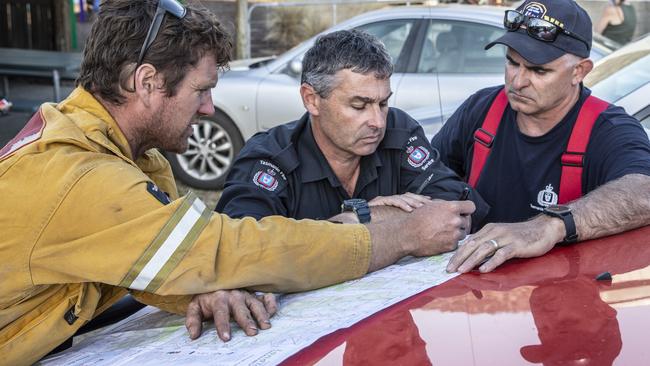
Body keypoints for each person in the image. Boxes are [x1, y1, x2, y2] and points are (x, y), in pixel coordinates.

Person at [0, 1, 476, 363]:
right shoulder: (79, 175)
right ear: (146, 82)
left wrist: (207, 282)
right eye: (202, 91)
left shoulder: (125, 155)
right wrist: (397, 232)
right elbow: (226, 246)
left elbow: (177, 259)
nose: (208, 109)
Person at [435, 0, 650, 274]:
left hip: (565, 302)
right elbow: (428, 176)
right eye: (512, 63)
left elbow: (644, 192)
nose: (518, 81)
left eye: (539, 70)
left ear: (579, 71)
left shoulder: (609, 129)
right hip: (480, 297)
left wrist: (550, 226)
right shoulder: (481, 109)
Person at [216, 30, 487, 231]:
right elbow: (245, 249)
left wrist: (367, 218)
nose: (378, 121)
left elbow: (457, 208)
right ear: (311, 99)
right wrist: (368, 216)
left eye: (383, 103)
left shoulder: (398, 130)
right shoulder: (271, 160)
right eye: (359, 105)